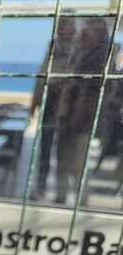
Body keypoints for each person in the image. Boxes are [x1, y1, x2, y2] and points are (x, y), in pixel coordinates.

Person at [55, 18, 112, 204]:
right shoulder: (78, 50)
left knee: (78, 162)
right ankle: (61, 196)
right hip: (69, 115)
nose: (85, 35)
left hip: (85, 119)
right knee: (64, 158)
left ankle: (82, 199)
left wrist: (75, 84)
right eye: (85, 31)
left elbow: (98, 89)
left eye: (90, 32)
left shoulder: (101, 57)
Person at [30, 17, 76, 200]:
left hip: (68, 104)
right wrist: (34, 103)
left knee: (64, 150)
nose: (61, 28)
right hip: (51, 100)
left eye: (65, 24)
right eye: (60, 24)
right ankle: (41, 186)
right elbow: (43, 73)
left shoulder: (78, 46)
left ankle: (61, 192)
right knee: (45, 147)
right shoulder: (53, 45)